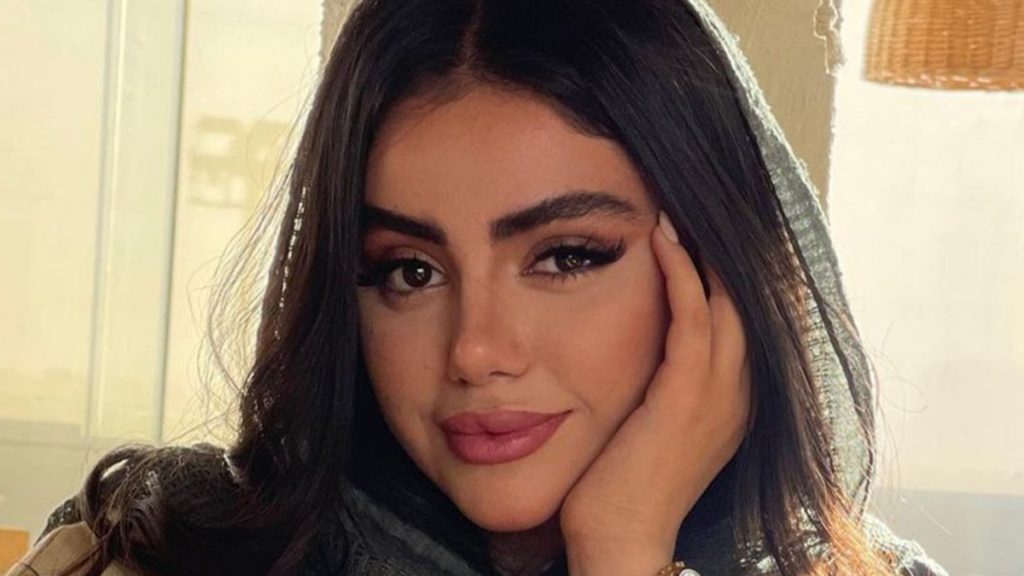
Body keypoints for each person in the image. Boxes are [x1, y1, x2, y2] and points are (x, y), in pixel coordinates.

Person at [9, 0, 949, 575]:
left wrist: (623, 553)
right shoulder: (137, 555)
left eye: (567, 256)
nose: (476, 350)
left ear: (720, 275)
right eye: (409, 271)